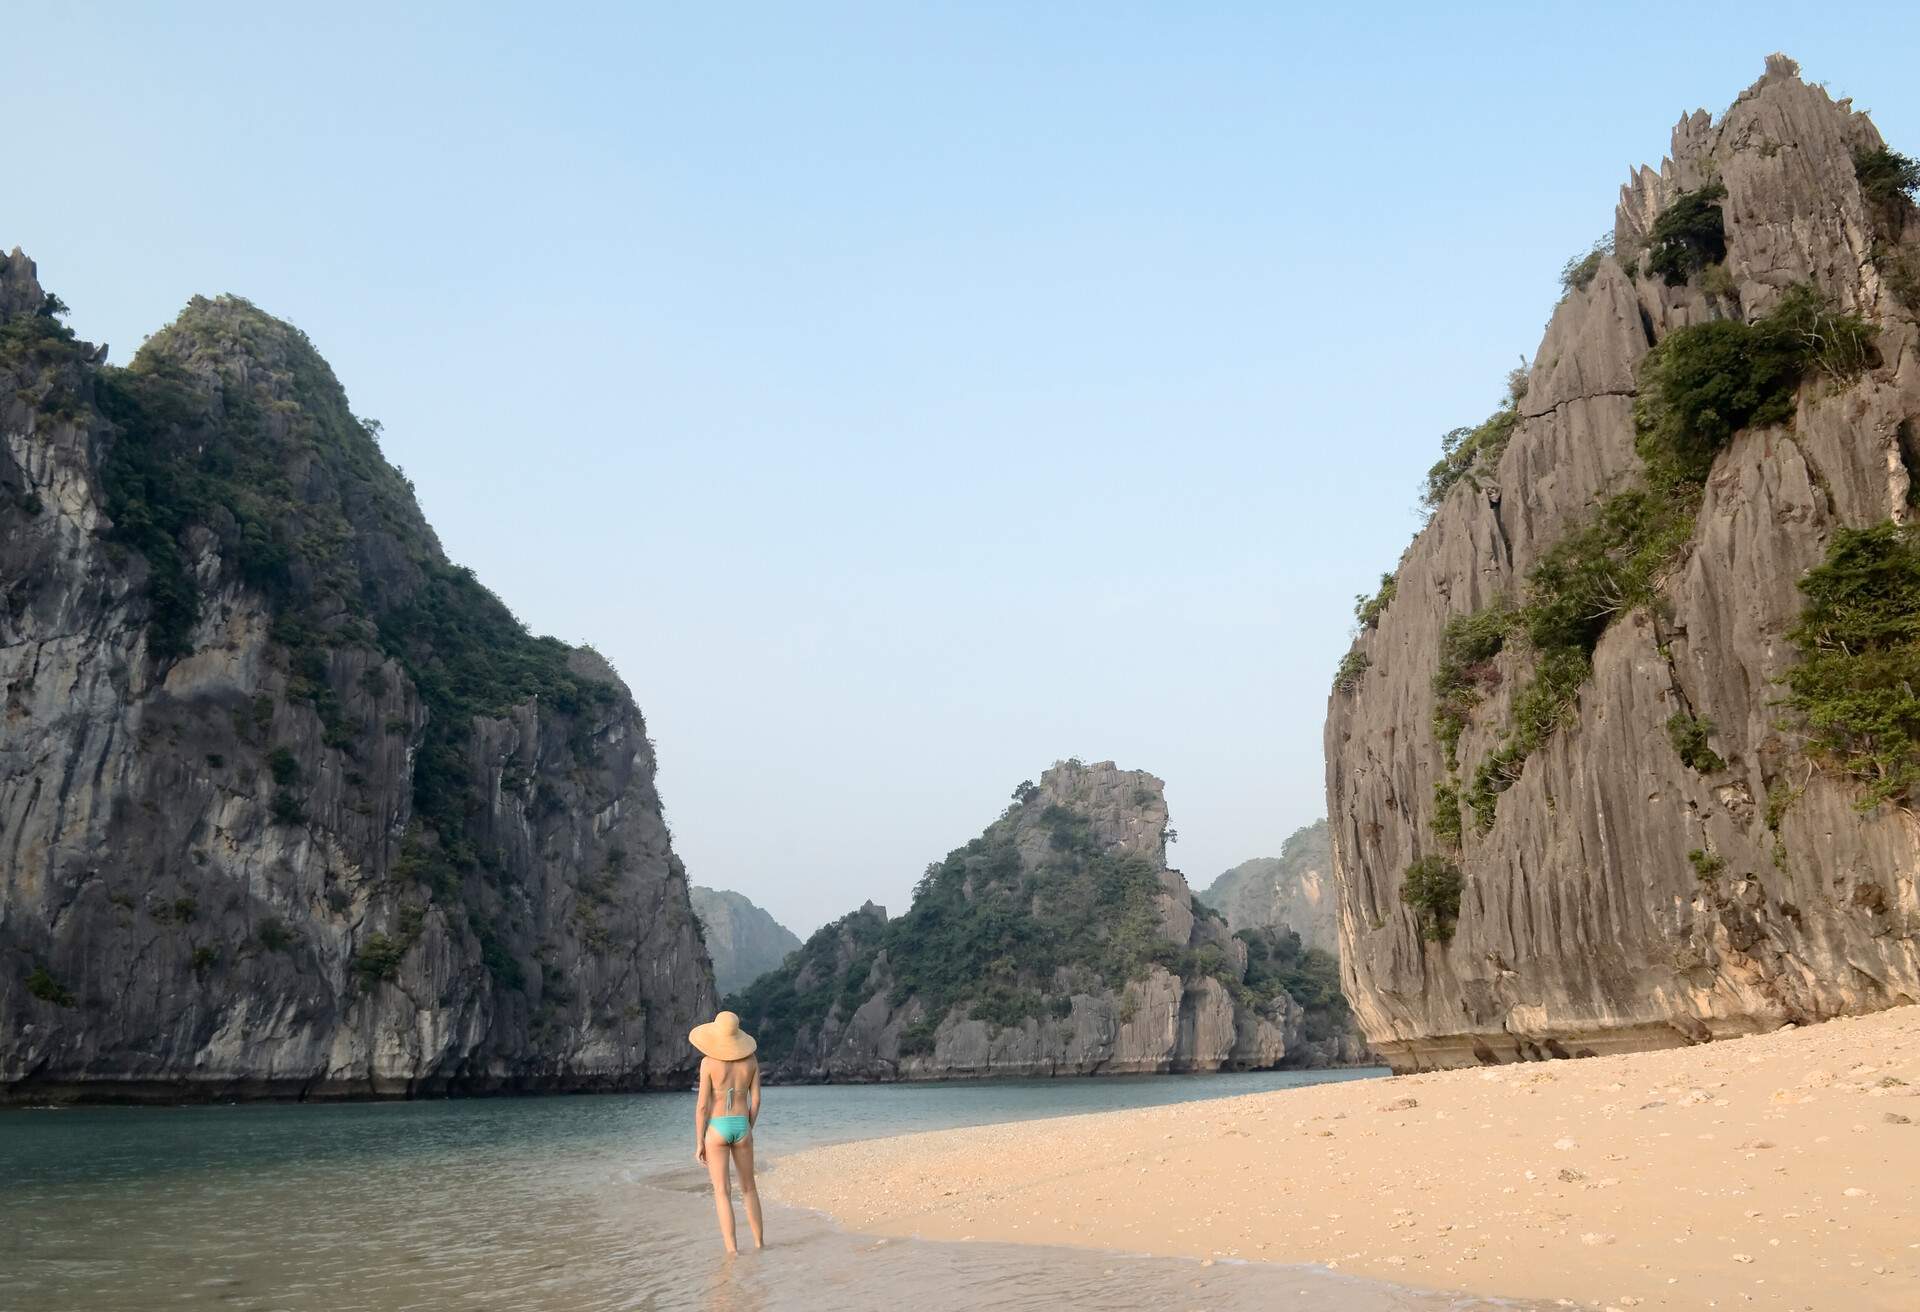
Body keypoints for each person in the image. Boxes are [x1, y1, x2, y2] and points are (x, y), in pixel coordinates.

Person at [690, 1010, 764, 1254]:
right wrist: (747, 1128)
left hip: (717, 1128)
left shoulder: (708, 1063)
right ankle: (759, 1244)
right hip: (742, 1125)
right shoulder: (751, 1061)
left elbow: (702, 1106)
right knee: (749, 1188)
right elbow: (756, 1102)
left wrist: (699, 1141)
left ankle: (732, 1251)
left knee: (722, 1192)